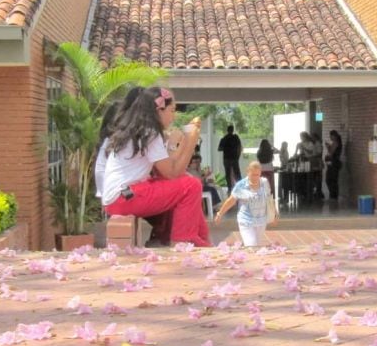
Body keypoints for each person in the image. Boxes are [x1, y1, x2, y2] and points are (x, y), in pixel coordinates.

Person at [100, 86, 210, 247]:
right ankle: (183, 240)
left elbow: (167, 169)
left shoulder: (142, 129)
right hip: (124, 198)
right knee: (191, 185)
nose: (173, 116)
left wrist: (178, 143)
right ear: (159, 110)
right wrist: (191, 141)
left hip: (121, 197)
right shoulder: (149, 132)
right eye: (172, 111)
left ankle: (200, 237)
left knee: (185, 180)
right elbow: (171, 173)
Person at [214, 160, 276, 247]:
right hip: (246, 220)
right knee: (251, 245)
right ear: (248, 172)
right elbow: (231, 201)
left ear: (260, 173)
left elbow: (269, 199)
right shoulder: (241, 185)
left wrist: (274, 214)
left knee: (256, 246)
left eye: (257, 175)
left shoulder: (264, 182)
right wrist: (220, 214)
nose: (255, 177)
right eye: (252, 174)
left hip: (261, 220)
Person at [217, 125, 243, 193]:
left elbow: (219, 148)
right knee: (237, 173)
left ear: (227, 130)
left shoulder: (224, 138)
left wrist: (226, 147)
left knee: (228, 174)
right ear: (232, 130)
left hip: (227, 158)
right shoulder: (236, 138)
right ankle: (241, 187)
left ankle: (229, 188)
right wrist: (238, 156)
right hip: (234, 158)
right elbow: (239, 147)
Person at [324, 129, 343, 201]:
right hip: (334, 163)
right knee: (332, 180)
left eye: (331, 136)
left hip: (334, 164)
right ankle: (333, 195)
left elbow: (331, 153)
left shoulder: (335, 143)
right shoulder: (336, 143)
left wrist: (328, 147)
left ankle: (333, 196)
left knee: (330, 180)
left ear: (334, 136)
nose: (330, 137)